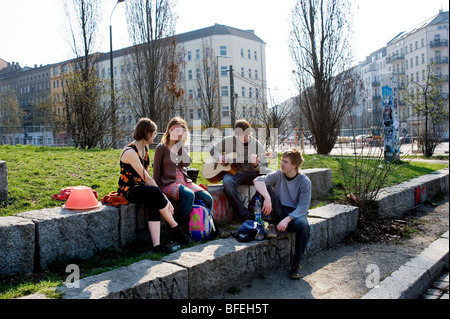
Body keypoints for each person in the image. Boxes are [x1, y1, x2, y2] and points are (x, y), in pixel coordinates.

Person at [117, 118, 192, 252]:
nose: (155, 135)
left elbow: (148, 174)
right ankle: (176, 228)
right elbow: (145, 176)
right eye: (154, 132)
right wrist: (165, 197)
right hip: (129, 190)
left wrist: (159, 195)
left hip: (141, 188)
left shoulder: (145, 148)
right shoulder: (130, 152)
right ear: (146, 133)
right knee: (155, 193)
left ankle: (156, 245)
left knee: (154, 200)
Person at [252, 148, 311, 279]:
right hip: (278, 210)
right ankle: (272, 224)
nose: (281, 164)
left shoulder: (304, 181)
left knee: (304, 226)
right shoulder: (278, 174)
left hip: (295, 214)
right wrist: (267, 198)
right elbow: (257, 180)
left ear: (294, 165)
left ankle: (296, 265)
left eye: (285, 162)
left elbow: (303, 207)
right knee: (263, 187)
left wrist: (287, 220)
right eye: (281, 160)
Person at [153, 117, 213, 231]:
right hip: (168, 183)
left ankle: (204, 226)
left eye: (180, 131)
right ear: (169, 130)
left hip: (185, 181)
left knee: (208, 198)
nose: (178, 133)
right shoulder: (161, 148)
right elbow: (156, 173)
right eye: (175, 130)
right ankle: (181, 229)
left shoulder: (181, 146)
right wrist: (157, 192)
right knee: (189, 195)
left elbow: (186, 163)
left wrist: (179, 145)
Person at [209, 119, 268, 221]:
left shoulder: (256, 144)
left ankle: (253, 206)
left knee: (269, 176)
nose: (245, 137)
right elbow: (213, 150)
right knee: (227, 183)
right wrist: (219, 157)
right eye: (241, 135)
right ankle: (244, 215)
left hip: (251, 174)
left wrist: (256, 164)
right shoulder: (228, 141)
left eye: (247, 134)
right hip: (234, 174)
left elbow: (265, 165)